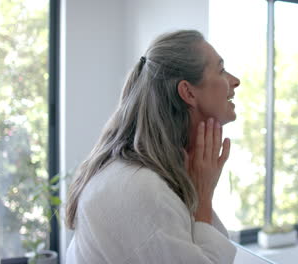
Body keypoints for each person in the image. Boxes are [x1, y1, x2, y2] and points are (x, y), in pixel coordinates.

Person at [65, 30, 240, 263]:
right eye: (221, 69)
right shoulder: (141, 188)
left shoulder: (151, 177)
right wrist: (204, 197)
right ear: (188, 92)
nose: (235, 81)